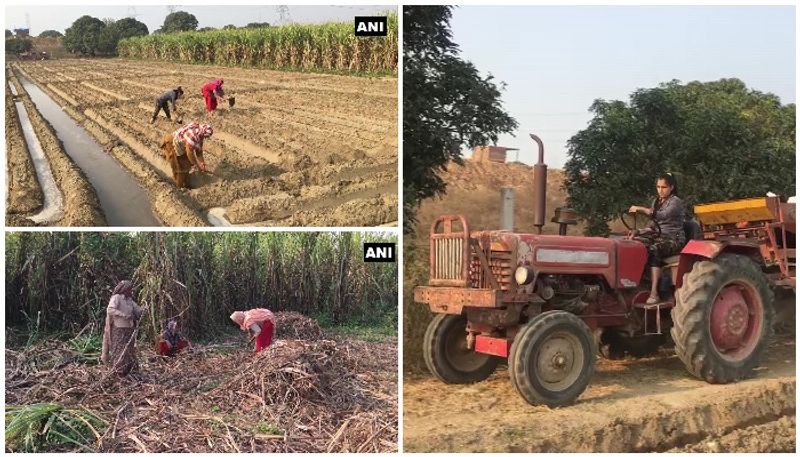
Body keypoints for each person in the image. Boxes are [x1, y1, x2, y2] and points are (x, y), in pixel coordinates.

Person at [627, 173, 687, 304]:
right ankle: (637, 286)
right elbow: (654, 226)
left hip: (674, 239)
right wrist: (638, 232)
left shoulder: (675, 202)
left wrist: (640, 209)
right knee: (635, 245)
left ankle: (654, 293)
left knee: (654, 249)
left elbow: (662, 216)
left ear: (671, 187)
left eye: (664, 187)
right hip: (659, 236)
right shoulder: (656, 201)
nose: (660, 190)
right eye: (658, 187)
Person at [101, 280, 146, 376]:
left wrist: (143, 309)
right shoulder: (116, 298)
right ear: (124, 289)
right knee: (119, 350)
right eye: (129, 289)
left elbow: (137, 311)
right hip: (119, 329)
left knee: (129, 350)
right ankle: (118, 371)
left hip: (129, 328)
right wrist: (123, 315)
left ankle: (129, 370)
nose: (131, 291)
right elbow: (110, 309)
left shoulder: (130, 300)